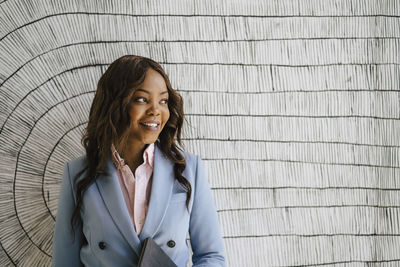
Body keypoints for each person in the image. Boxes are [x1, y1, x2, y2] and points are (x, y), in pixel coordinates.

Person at [52, 55, 226, 267]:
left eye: (163, 101)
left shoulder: (189, 170)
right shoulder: (77, 173)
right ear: (115, 104)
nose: (156, 110)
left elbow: (212, 257)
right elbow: (64, 263)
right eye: (142, 99)